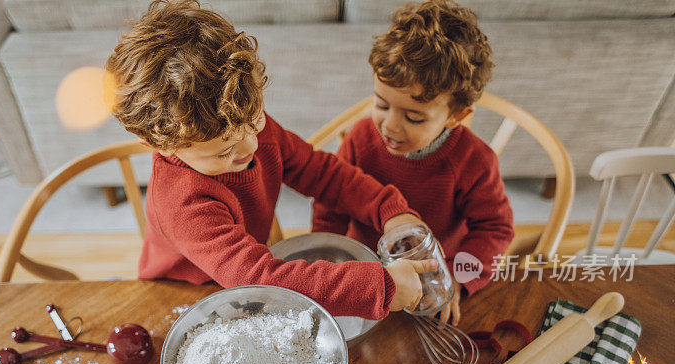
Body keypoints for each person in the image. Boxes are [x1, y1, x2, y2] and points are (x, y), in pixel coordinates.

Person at [106, 0, 436, 320]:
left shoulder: (237, 121)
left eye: (256, 121)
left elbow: (320, 172)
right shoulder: (183, 204)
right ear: (159, 145)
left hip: (245, 275)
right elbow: (259, 278)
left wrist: (387, 208)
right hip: (189, 298)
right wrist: (381, 286)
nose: (251, 145)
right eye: (224, 152)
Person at [312, 0, 514, 326]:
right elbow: (330, 203)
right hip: (366, 272)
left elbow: (495, 228)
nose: (390, 126)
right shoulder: (361, 138)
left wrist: (459, 277)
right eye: (381, 104)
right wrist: (326, 260)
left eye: (413, 117)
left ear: (455, 117)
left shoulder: (474, 161)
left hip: (430, 278)